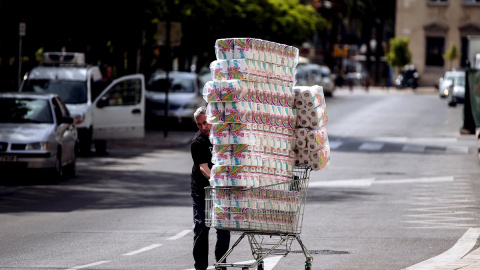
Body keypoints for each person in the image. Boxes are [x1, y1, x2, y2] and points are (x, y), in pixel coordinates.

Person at [190, 106, 230, 270]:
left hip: (221, 192)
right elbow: (203, 168)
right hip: (202, 191)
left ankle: (221, 263)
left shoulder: (222, 136)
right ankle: (200, 266)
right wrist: (216, 180)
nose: (203, 127)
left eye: (205, 122)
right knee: (202, 227)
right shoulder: (198, 142)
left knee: (223, 229)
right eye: (199, 125)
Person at [93, 63, 114, 156]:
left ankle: (103, 148)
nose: (109, 73)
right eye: (108, 71)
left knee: (104, 128)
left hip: (107, 108)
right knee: (98, 128)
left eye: (110, 72)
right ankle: (98, 148)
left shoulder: (111, 83)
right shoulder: (97, 83)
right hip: (98, 108)